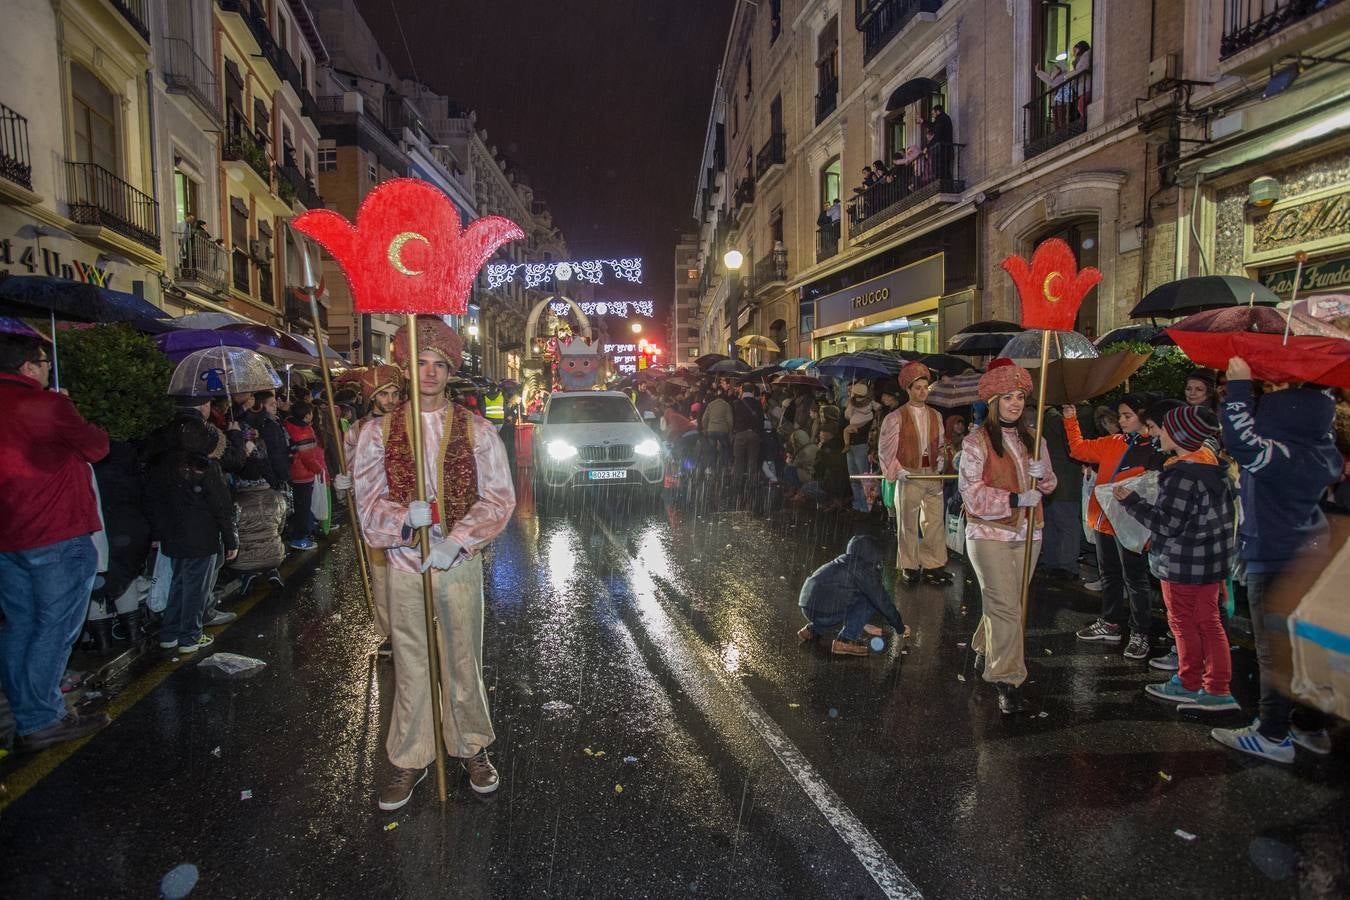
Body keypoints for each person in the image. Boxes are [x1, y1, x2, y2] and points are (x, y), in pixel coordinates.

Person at [351, 316, 514, 809]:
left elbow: (499, 498)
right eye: (420, 362)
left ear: (450, 370)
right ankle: (409, 756)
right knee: (412, 663)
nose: (428, 372)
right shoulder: (377, 434)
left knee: (463, 657)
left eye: (438, 364)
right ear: (406, 367)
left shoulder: (478, 430)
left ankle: (471, 747)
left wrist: (456, 541)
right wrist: (404, 519)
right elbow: (367, 504)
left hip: (456, 565)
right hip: (403, 566)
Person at [1210, 357, 1342, 763]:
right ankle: (1310, 726)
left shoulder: (1278, 456)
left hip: (1275, 556)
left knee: (1275, 653)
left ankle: (1271, 734)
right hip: (1312, 554)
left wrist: (1237, 388)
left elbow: (1241, 441)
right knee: (1306, 650)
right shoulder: (1321, 451)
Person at [0, 335, 112, 752]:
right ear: (28, 366)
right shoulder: (48, 405)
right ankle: (41, 718)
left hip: (8, 535)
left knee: (21, 625)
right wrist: (67, 407)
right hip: (56, 531)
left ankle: (23, 710)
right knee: (55, 628)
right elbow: (97, 446)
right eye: (44, 361)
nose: (48, 368)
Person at [1113, 406, 1239, 712]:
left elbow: (1167, 523)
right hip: (1211, 561)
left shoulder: (1181, 474)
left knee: (1183, 623)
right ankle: (1218, 687)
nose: (1159, 432)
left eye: (1165, 428)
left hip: (1183, 562)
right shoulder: (1213, 467)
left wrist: (1132, 501)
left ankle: (1189, 682)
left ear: (1181, 435)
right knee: (1209, 623)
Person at [959, 360, 1056, 714]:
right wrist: (1014, 498)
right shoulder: (975, 442)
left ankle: (984, 645)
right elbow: (971, 494)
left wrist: (1042, 476)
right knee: (1005, 605)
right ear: (994, 400)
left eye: (1020, 397)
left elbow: (1051, 484)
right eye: (1008, 397)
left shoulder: (1037, 438)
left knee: (1010, 604)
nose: (1015, 403)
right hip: (989, 534)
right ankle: (1008, 678)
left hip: (1031, 532)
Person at [1064, 396, 1167, 661]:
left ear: (1143, 418)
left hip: (1131, 523)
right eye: (1120, 416)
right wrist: (1070, 418)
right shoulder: (1114, 442)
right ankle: (1110, 622)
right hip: (1103, 521)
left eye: (1127, 416)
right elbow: (1078, 449)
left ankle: (1140, 632)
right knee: (1109, 573)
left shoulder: (1155, 449)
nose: (1121, 421)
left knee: (1135, 579)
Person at [144, 395, 239, 655]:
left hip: (172, 528)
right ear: (203, 407)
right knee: (196, 584)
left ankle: (170, 633)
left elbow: (152, 496)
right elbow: (220, 501)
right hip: (202, 530)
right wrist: (230, 539)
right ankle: (190, 636)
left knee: (179, 581)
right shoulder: (204, 460)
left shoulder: (161, 454)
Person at [879, 363, 952, 585]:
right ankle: (909, 565)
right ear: (908, 390)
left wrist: (941, 458)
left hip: (931, 474)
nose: (922, 391)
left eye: (925, 387)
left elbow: (940, 443)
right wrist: (897, 469)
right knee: (907, 522)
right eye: (917, 387)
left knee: (934, 521)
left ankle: (933, 563)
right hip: (909, 474)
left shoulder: (936, 415)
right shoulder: (896, 417)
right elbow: (885, 448)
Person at [797, 536, 907, 656]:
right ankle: (845, 640)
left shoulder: (842, 561)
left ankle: (812, 630)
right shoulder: (864, 570)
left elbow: (840, 596)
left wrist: (864, 625)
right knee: (870, 599)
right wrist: (899, 626)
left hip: (807, 607)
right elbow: (882, 601)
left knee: (846, 598)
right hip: (825, 611)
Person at [284, 401, 328, 551]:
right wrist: (318, 469)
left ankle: (300, 534)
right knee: (303, 508)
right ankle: (299, 539)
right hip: (303, 473)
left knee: (299, 506)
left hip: (293, 471)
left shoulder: (288, 424)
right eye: (310, 413)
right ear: (307, 415)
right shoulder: (304, 430)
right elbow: (307, 456)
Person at [842, 382, 880, 512]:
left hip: (861, 445)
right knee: (854, 477)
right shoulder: (852, 403)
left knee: (863, 477)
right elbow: (846, 415)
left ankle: (866, 507)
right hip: (852, 445)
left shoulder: (872, 410)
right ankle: (858, 505)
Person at [730, 385, 765, 481]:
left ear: (742, 390)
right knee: (752, 461)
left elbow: (732, 420)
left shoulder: (736, 403)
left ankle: (737, 483)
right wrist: (759, 434)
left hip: (740, 434)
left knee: (738, 460)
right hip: (754, 434)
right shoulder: (758, 404)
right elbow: (761, 420)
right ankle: (751, 485)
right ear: (753, 391)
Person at [700, 389, 733, 471]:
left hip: (711, 430)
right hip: (723, 431)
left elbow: (704, 419)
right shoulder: (727, 405)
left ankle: (711, 467)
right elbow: (730, 420)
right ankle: (724, 467)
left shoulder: (710, 405)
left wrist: (705, 428)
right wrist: (730, 430)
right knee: (725, 447)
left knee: (712, 448)